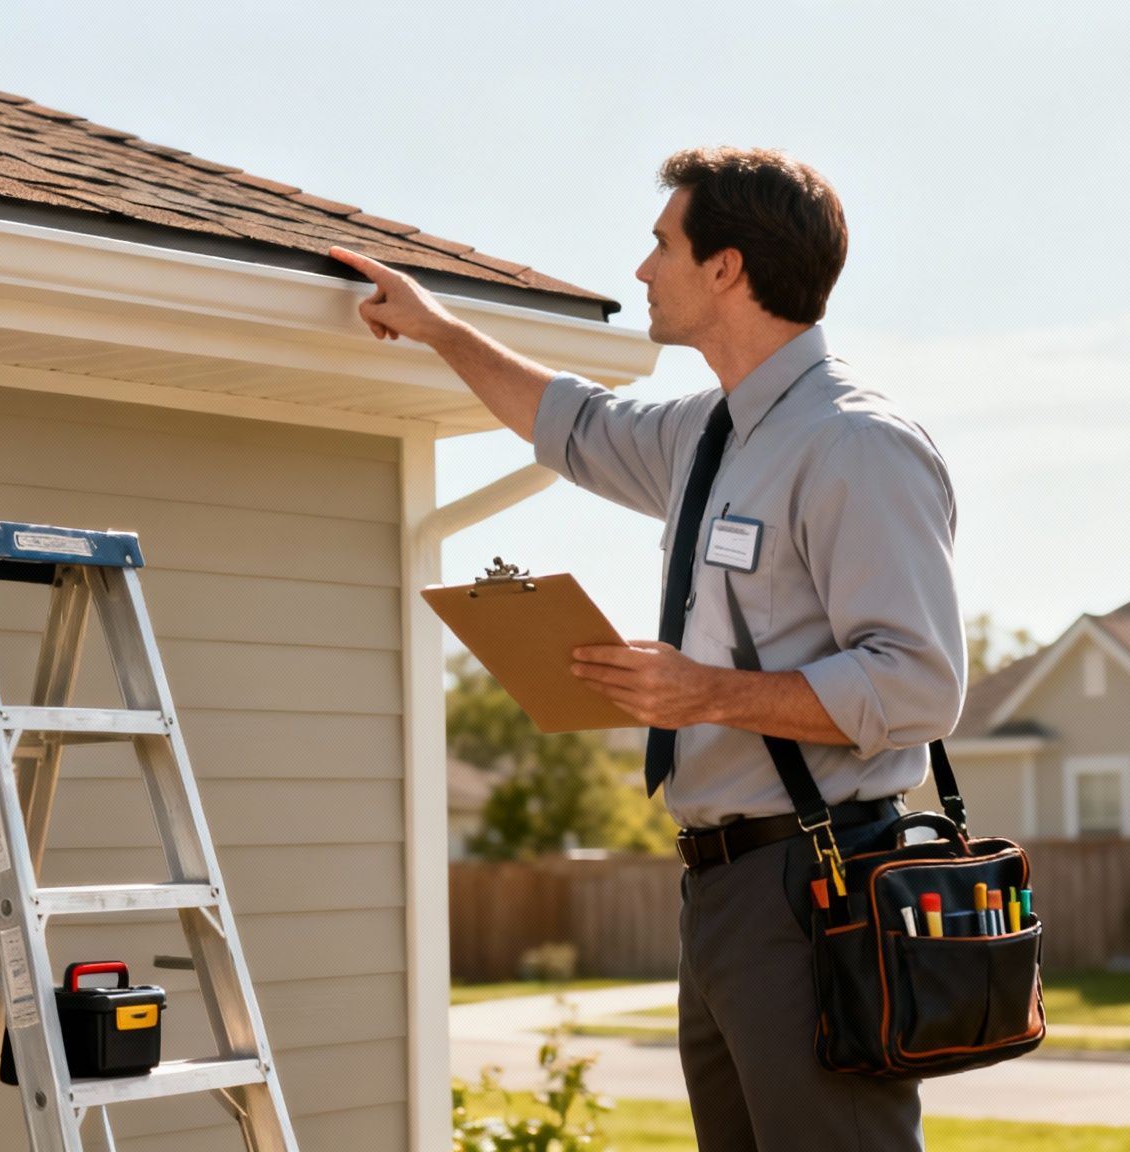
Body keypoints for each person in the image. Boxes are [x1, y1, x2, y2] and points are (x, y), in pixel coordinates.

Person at [329, 146, 963, 1152]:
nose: (641, 270)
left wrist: (704, 692)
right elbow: (569, 424)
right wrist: (436, 327)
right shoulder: (704, 434)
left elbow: (917, 686)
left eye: (661, 242)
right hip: (717, 891)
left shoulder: (855, 444)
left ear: (725, 268)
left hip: (815, 884)